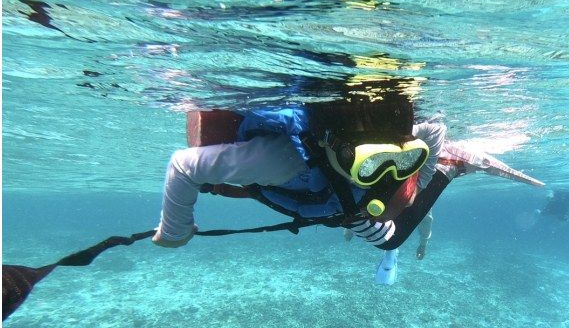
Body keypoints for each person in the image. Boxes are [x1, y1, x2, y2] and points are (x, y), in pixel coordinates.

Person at [152, 90, 545, 261]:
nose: (384, 173)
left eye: (397, 158)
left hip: (345, 200)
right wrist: (175, 230)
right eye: (370, 163)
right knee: (389, 240)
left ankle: (443, 172)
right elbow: (183, 165)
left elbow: (435, 130)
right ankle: (439, 172)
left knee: (391, 232)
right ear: (324, 142)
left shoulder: (395, 139)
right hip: (335, 198)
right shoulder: (281, 157)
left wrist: (423, 169)